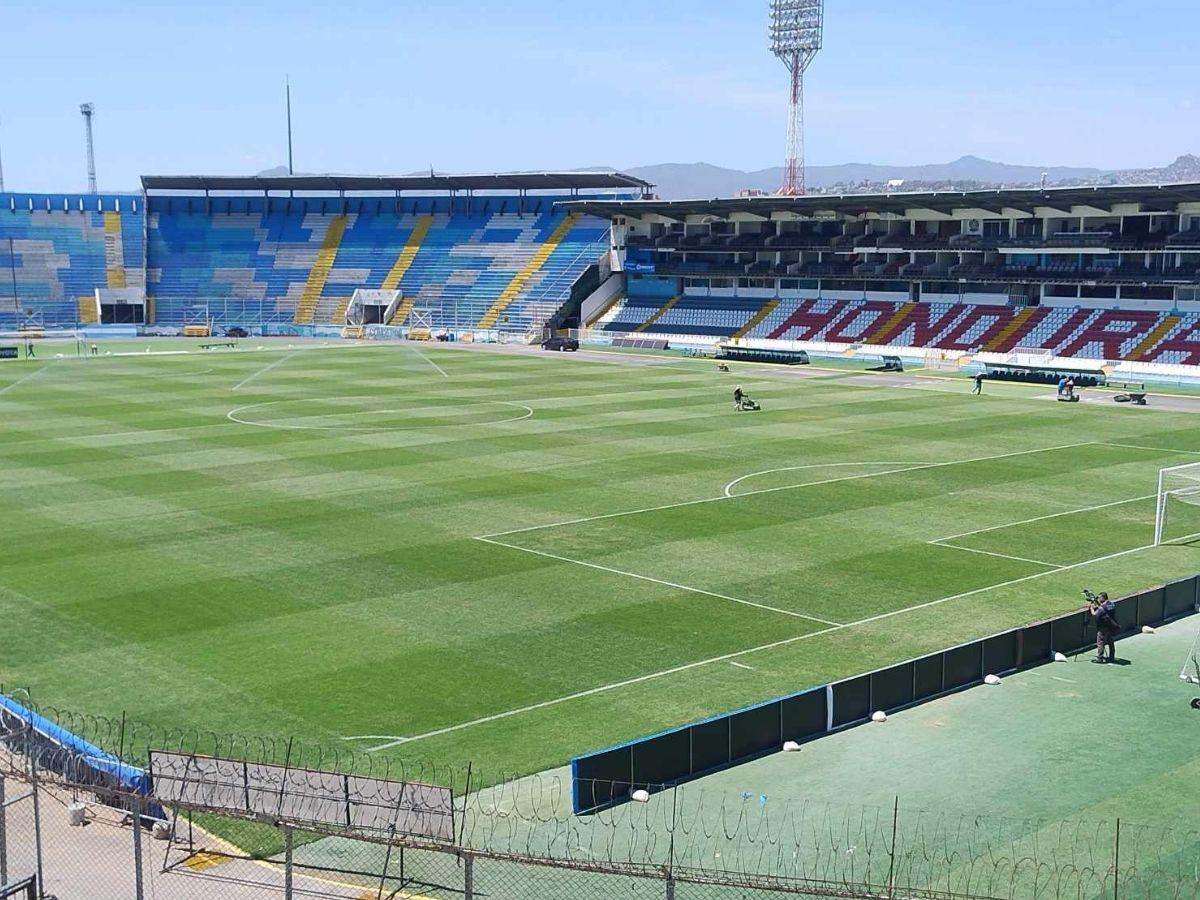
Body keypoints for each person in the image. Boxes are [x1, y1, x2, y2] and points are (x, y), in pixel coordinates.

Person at [1089, 591, 1119, 663]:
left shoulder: (1102, 608)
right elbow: (1105, 610)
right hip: (1111, 626)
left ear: (1103, 598)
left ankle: (1100, 658)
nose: (1099, 599)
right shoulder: (1112, 604)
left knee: (1100, 642)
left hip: (1103, 627)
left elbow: (1095, 614)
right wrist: (1099, 606)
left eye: (1100, 598)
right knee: (1110, 642)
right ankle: (1112, 657)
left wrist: (1091, 608)